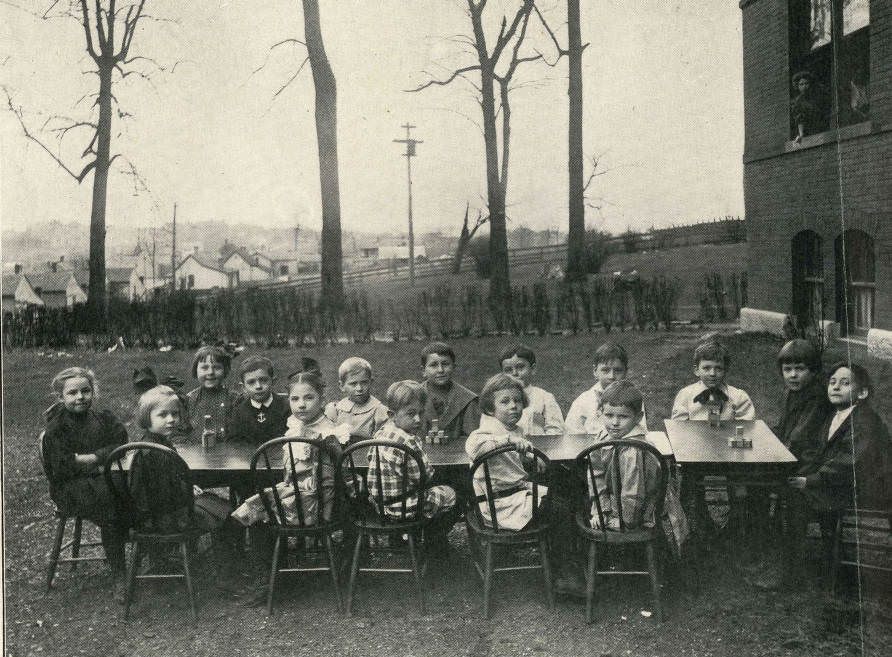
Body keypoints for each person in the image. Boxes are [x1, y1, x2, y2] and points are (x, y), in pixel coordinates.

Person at [785, 363, 892, 586]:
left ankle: (796, 570)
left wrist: (810, 480)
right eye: (832, 382)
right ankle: (817, 558)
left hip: (866, 488)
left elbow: (848, 462)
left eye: (845, 383)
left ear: (862, 392)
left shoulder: (864, 421)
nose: (836, 388)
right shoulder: (836, 415)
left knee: (796, 499)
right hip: (841, 481)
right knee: (791, 489)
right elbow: (818, 452)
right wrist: (800, 470)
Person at [41, 367, 129, 599]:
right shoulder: (56, 428)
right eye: (72, 393)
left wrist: (91, 457)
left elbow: (120, 443)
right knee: (112, 506)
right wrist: (100, 463)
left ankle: (152, 552)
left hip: (100, 478)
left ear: (93, 392)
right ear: (61, 397)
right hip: (69, 488)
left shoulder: (103, 418)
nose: (80, 397)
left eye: (85, 391)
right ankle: (119, 574)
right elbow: (62, 468)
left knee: (133, 491)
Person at [231, 370, 349, 528]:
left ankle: (267, 538)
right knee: (256, 500)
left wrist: (326, 516)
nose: (301, 404)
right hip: (299, 495)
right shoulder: (295, 427)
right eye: (295, 399)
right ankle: (265, 545)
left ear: (322, 399)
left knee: (261, 502)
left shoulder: (328, 434)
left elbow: (329, 482)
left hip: (317, 504)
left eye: (309, 398)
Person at [129, 386, 233, 536]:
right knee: (222, 509)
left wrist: (188, 485)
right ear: (147, 417)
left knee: (214, 502)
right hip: (165, 517)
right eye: (163, 415)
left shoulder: (156, 443)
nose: (171, 420)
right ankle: (226, 554)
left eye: (175, 414)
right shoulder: (155, 451)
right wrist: (187, 489)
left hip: (160, 513)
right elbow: (163, 492)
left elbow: (171, 479)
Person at [368, 381, 458, 550]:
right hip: (405, 509)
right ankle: (435, 541)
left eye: (421, 413)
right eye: (411, 414)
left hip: (381, 507)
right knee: (452, 493)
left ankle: (402, 538)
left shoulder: (380, 434)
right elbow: (424, 477)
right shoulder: (408, 442)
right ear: (392, 414)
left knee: (419, 489)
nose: (418, 419)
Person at [465, 373, 548, 531]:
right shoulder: (485, 432)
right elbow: (475, 449)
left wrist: (530, 457)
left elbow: (510, 461)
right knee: (560, 509)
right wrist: (508, 440)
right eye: (505, 401)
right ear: (490, 409)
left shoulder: (516, 430)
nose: (513, 406)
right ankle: (560, 554)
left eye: (517, 401)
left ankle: (552, 550)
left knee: (561, 498)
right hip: (498, 505)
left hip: (515, 495)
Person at [565, 343, 647, 433]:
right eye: (605, 370)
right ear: (595, 371)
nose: (611, 376)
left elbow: (640, 431)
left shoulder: (632, 398)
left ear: (625, 372)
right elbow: (571, 434)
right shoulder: (583, 401)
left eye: (618, 370)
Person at [774, 339, 833, 459]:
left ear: (813, 371)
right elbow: (783, 427)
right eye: (787, 369)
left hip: (808, 456)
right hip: (792, 450)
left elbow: (801, 435)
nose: (793, 375)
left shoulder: (817, 396)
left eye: (800, 369)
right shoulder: (791, 392)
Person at [671, 341, 755, 422]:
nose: (712, 373)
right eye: (706, 368)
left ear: (725, 370)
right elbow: (678, 427)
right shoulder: (685, 395)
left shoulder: (739, 397)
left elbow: (746, 428)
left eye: (718, 368)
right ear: (696, 370)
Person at [499, 344, 564, 437]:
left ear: (532, 369)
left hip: (539, 448)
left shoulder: (544, 398)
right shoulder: (496, 400)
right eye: (508, 370)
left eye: (520, 367)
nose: (514, 373)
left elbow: (556, 431)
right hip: (506, 448)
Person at [420, 341, 480, 442]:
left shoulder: (467, 399)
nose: (440, 370)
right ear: (423, 371)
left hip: (458, 455)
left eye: (445, 364)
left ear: (454, 367)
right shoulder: (413, 396)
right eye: (433, 365)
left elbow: (474, 438)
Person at [225, 355, 290, 446]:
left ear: (273, 381)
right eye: (251, 382)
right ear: (243, 387)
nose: (258, 386)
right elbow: (233, 442)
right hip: (250, 458)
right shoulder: (239, 412)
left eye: (263, 380)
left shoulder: (286, 407)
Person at [324, 356, 389, 440]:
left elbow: (384, 442)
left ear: (371, 382)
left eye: (364, 382)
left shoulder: (378, 411)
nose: (359, 388)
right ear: (342, 386)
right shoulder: (336, 410)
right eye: (353, 384)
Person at [185, 345, 239, 444]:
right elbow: (178, 433)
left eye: (217, 368)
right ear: (195, 370)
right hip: (196, 455)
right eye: (204, 368)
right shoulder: (189, 400)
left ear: (225, 370)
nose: (210, 372)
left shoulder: (235, 399)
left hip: (228, 454)